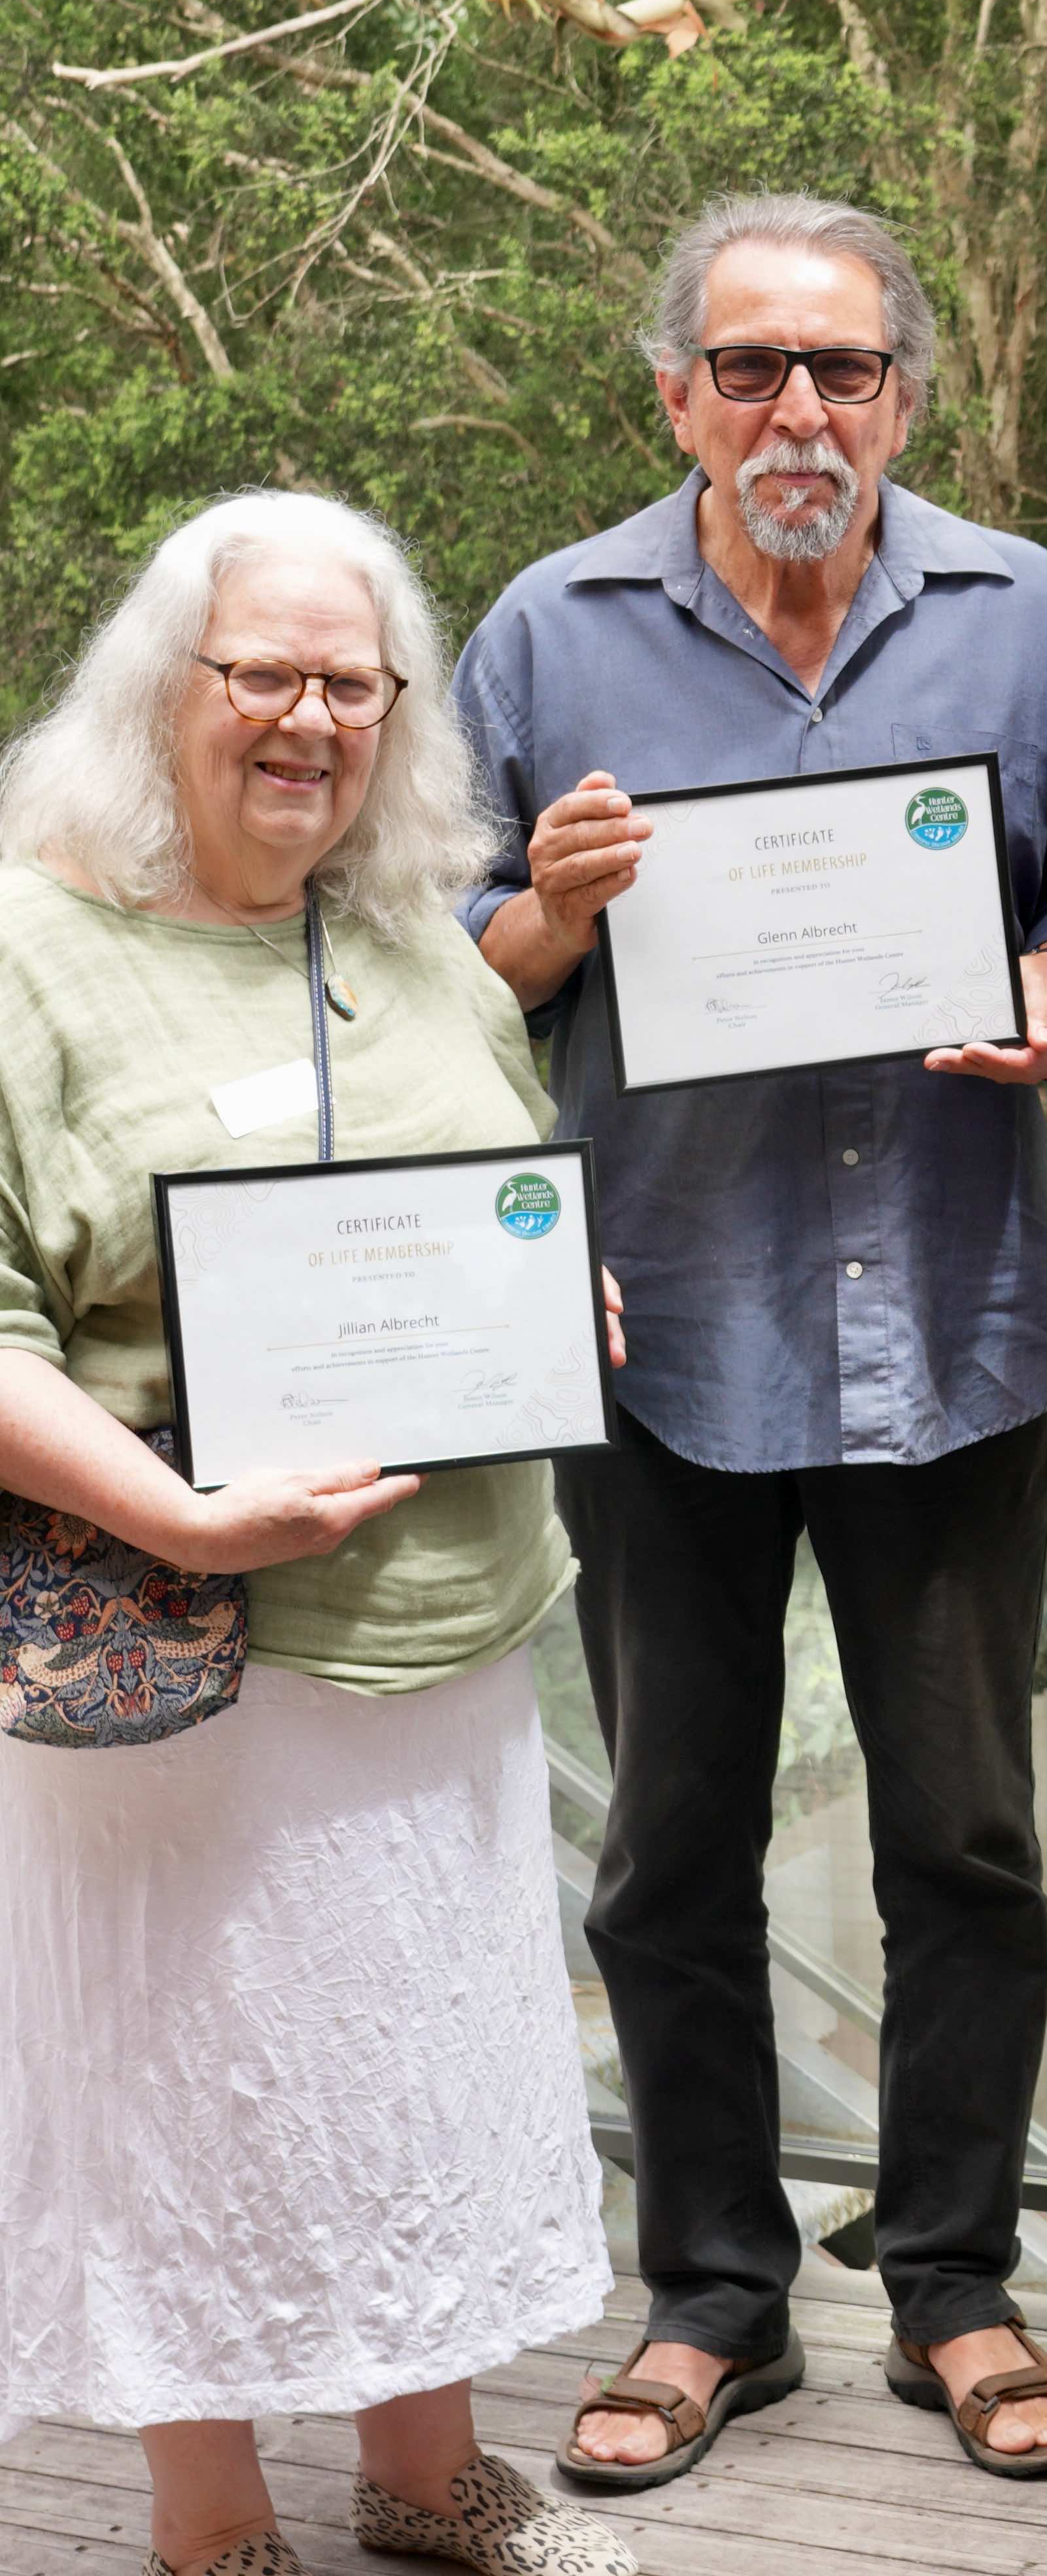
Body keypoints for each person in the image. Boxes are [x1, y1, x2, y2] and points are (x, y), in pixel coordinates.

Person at [453, 194, 1047, 2488]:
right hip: (655, 1320)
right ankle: (714, 2296)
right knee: (665, 1846)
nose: (798, 411)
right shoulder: (554, 628)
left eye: (841, 368)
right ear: (676, 398)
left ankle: (956, 2279)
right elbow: (448, 978)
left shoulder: (1027, 616)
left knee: (967, 1841)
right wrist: (552, 911)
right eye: (750, 369)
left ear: (906, 394)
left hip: (950, 1314)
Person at [0, 494, 635, 2576]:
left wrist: (568, 1298)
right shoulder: (27, 944)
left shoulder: (401, 933)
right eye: (259, 675)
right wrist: (182, 1509)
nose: (305, 722)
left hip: (446, 1646)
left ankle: (428, 2474)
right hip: (185, 1655)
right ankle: (209, 2522)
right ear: (159, 690)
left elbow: (498, 1195)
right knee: (186, 2095)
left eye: (346, 685)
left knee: (420, 2079)